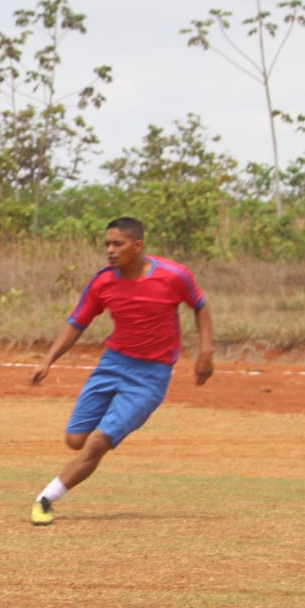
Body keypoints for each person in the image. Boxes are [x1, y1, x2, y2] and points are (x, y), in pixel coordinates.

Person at [28, 216, 214, 526]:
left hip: (151, 376)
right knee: (75, 439)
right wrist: (47, 361)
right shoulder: (102, 282)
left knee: (97, 443)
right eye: (107, 244)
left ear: (137, 246)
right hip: (112, 364)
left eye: (118, 244)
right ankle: (107, 428)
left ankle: (45, 499)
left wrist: (206, 351)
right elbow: (77, 323)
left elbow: (199, 305)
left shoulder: (173, 275)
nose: (110, 250)